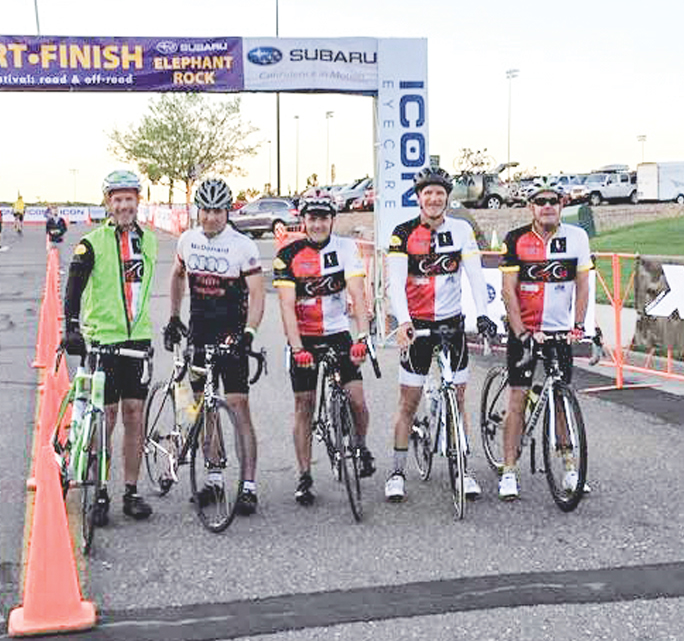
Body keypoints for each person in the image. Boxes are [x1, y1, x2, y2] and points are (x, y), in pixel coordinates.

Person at [384, 167, 497, 502]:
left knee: (459, 398)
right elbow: (396, 284)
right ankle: (397, 471)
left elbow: (475, 276)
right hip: (417, 326)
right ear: (418, 197)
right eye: (427, 193)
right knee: (408, 402)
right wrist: (404, 322)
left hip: (451, 325)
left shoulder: (460, 230)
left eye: (439, 193)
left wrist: (483, 315)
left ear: (447, 197)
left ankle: (462, 471)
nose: (433, 198)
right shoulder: (402, 233)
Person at [163, 177, 265, 516]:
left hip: (232, 335)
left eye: (217, 211)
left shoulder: (243, 245)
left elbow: (258, 294)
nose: (210, 218)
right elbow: (177, 275)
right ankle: (215, 477)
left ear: (227, 211)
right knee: (204, 408)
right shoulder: (188, 240)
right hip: (199, 335)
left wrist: (248, 333)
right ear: (198, 211)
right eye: (205, 211)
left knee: (238, 408)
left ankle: (248, 485)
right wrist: (174, 316)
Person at [61, 170, 157, 523]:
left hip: (138, 342)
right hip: (103, 341)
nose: (123, 205)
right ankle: (100, 491)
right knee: (108, 417)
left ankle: (130, 492)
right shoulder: (91, 243)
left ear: (137, 201)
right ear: (107, 203)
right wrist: (72, 328)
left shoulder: (150, 242)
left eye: (129, 199)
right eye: (117, 200)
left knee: (135, 415)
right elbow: (72, 290)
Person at [273, 197, 375, 506]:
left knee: (357, 399)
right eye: (312, 218)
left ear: (332, 220)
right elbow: (287, 306)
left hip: (338, 335)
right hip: (304, 337)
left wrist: (362, 338)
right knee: (304, 404)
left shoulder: (346, 250)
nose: (318, 224)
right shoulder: (288, 255)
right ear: (303, 221)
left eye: (323, 218)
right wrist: (297, 347)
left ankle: (360, 445)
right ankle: (305, 476)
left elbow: (358, 295)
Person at [497, 183, 592, 500]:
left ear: (562, 205)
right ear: (531, 206)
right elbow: (508, 291)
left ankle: (569, 469)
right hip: (524, 330)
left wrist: (577, 326)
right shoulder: (516, 239)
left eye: (553, 201)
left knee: (561, 402)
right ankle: (509, 471)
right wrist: (521, 332)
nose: (547, 206)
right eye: (541, 201)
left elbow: (582, 285)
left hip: (557, 332)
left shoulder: (577, 237)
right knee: (518, 399)